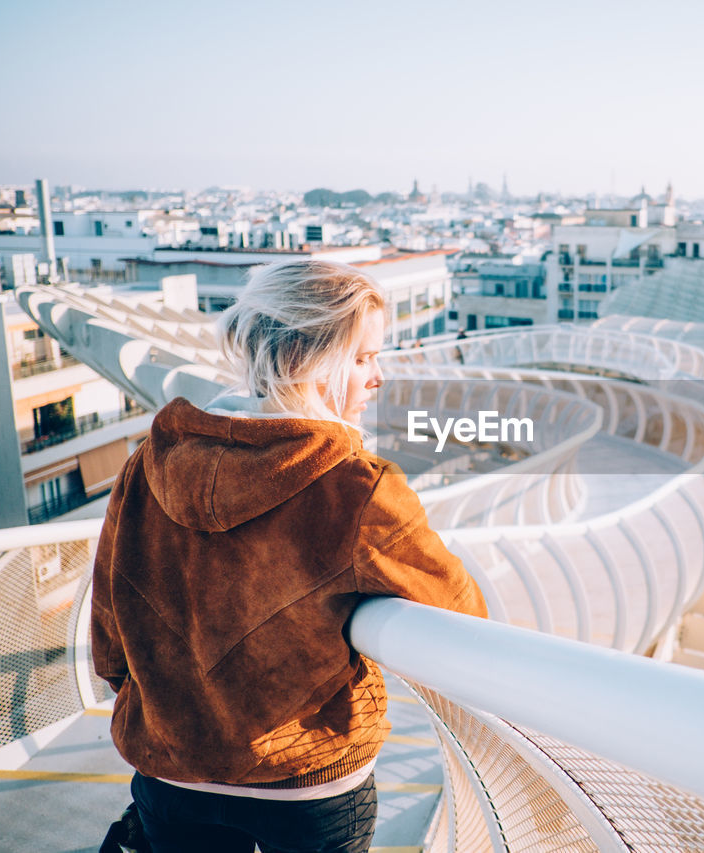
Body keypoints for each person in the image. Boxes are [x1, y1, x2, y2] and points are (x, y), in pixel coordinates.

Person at [92, 259, 487, 853]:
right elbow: (460, 614)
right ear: (309, 360)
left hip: (171, 767)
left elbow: (109, 620)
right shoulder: (356, 487)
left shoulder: (150, 462)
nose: (377, 377)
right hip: (307, 779)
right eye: (362, 358)